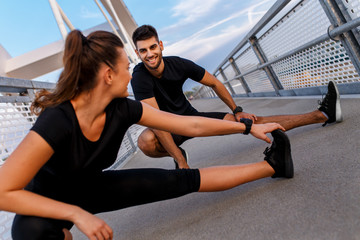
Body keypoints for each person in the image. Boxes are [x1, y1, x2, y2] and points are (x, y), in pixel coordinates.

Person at [0, 30, 294, 240]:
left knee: (182, 180)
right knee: (32, 234)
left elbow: (189, 125)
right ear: (108, 75)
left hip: (92, 187)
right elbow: (3, 192)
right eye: (126, 67)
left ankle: (274, 164)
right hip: (46, 206)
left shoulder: (123, 109)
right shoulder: (59, 119)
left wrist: (247, 127)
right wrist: (77, 214)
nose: (131, 74)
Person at [130, 24, 343, 169]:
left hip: (192, 118)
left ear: (161, 45)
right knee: (146, 141)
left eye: (153, 47)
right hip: (169, 128)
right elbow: (158, 122)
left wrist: (237, 110)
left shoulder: (179, 64)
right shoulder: (139, 78)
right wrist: (179, 160)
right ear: (137, 53)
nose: (149, 54)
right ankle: (178, 153)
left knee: (252, 121)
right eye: (143, 50)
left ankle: (322, 114)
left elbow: (214, 82)